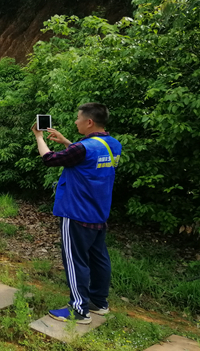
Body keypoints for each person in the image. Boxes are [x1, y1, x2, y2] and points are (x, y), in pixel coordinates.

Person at [31, 103, 121, 324]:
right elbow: (87, 161)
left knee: (75, 260)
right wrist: (65, 142)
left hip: (77, 212)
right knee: (99, 258)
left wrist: (38, 137)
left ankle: (79, 309)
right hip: (99, 211)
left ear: (89, 122)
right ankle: (99, 302)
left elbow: (50, 159)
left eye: (78, 118)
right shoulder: (112, 144)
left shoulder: (83, 148)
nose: (75, 121)